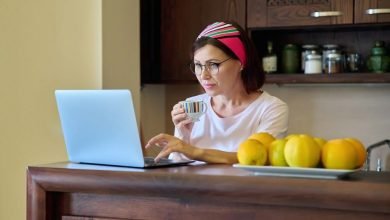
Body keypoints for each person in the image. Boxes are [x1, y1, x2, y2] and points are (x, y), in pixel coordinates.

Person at [146, 21, 288, 164]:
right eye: (198, 65)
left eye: (213, 64)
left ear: (241, 62)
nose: (203, 75)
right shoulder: (193, 106)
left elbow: (258, 158)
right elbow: (178, 168)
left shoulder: (271, 109)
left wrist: (193, 151)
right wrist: (183, 135)